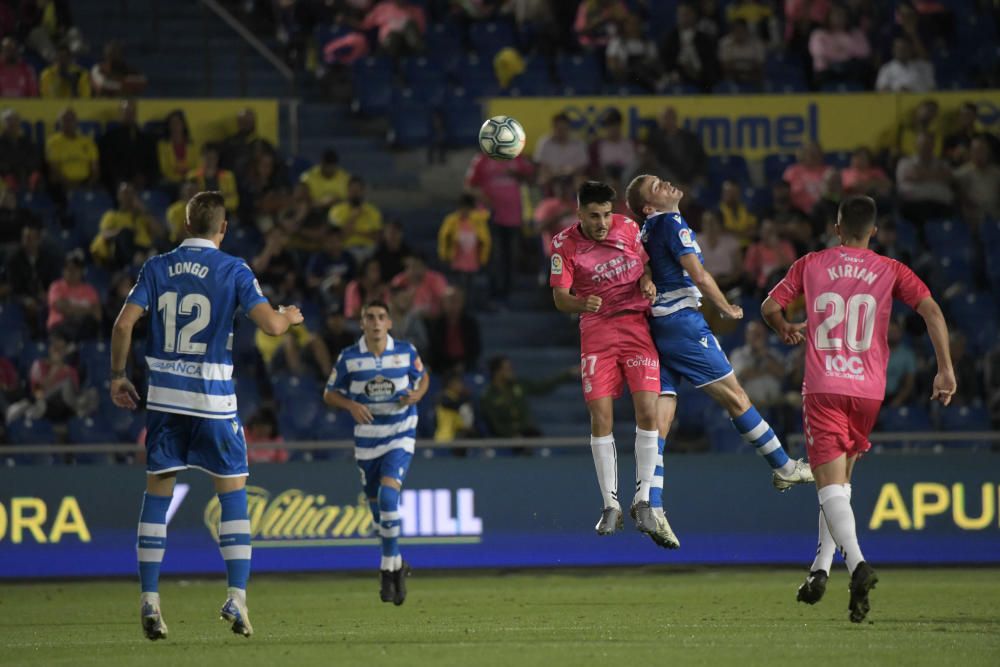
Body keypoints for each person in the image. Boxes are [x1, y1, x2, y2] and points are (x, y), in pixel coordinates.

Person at [109, 191, 304, 640]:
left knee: (157, 498)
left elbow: (123, 325)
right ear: (224, 227)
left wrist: (119, 376)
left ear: (185, 224)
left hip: (165, 403)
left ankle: (150, 601)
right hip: (214, 404)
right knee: (234, 496)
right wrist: (289, 317)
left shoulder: (156, 267)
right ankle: (236, 597)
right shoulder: (234, 269)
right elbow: (271, 326)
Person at [762, 195, 955, 623]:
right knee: (840, 487)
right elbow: (933, 312)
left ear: (836, 228)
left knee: (827, 487)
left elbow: (770, 306)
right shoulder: (892, 269)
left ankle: (858, 565)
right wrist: (944, 369)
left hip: (825, 386)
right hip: (868, 390)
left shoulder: (811, 263)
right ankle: (818, 571)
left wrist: (784, 328)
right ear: (874, 231)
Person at [625, 174, 813, 504]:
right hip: (682, 323)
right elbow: (698, 273)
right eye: (657, 187)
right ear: (648, 206)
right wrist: (726, 307)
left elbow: (646, 267)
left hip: (657, 325)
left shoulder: (648, 229)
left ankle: (650, 501)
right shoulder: (669, 221)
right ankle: (783, 466)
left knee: (662, 414)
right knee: (736, 397)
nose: (667, 184)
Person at [549, 180, 679, 548]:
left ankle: (643, 499)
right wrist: (580, 304)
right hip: (597, 333)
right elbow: (560, 297)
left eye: (606, 214)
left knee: (648, 411)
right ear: (579, 214)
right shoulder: (563, 245)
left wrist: (649, 283)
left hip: (635, 327)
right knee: (601, 416)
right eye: (594, 216)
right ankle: (610, 504)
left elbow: (648, 266)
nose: (602, 222)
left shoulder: (629, 228)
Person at [323, 299, 428, 606]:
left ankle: (386, 566)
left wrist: (416, 395)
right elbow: (328, 393)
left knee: (387, 498)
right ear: (362, 323)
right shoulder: (350, 357)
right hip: (367, 439)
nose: (376, 322)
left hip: (400, 432)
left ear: (390, 323)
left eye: (382, 316)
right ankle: (397, 562)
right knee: (375, 514)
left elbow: (423, 379)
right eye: (370, 317)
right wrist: (351, 405)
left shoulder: (406, 352)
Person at [464, 149, 534, 304]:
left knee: (512, 255)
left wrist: (517, 174)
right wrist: (485, 199)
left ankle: (509, 293)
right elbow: (469, 186)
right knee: (494, 255)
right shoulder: (481, 159)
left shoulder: (517, 158)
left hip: (514, 216)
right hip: (490, 216)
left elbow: (531, 180)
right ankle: (494, 293)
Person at [90, 182, 162, 269]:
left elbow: (160, 232)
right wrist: (122, 231)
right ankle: (136, 259)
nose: (128, 196)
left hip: (145, 249)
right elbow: (105, 234)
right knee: (125, 233)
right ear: (118, 196)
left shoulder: (142, 216)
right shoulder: (112, 215)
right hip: (123, 254)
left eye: (131, 193)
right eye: (125, 193)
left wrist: (144, 210)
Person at [97, 100, 159, 193]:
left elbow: (152, 162)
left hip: (143, 181)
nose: (129, 115)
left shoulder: (146, 139)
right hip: (118, 181)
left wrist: (144, 177)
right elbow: (108, 164)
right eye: (126, 112)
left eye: (132, 112)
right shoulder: (109, 138)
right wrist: (125, 179)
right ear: (120, 114)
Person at [895, 131, 955, 225]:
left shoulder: (943, 164)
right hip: (913, 206)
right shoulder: (905, 163)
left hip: (940, 206)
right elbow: (911, 177)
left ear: (933, 145)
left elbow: (949, 178)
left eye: (928, 144)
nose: (925, 147)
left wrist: (920, 175)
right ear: (916, 145)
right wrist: (936, 175)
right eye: (923, 144)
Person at [437, 194, 491, 292]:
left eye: (467, 209)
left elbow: (485, 240)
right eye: (462, 208)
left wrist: (483, 257)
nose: (464, 211)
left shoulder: (478, 221)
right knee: (460, 286)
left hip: (473, 260)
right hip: (457, 260)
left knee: (471, 287)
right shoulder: (451, 220)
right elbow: (444, 238)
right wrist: (444, 255)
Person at [660, 2, 719, 91]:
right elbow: (665, 61)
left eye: (687, 14)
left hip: (700, 83)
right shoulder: (671, 38)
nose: (684, 17)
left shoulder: (704, 39)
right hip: (675, 80)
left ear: (694, 15)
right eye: (681, 14)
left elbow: (710, 65)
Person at [46, 248, 100, 340]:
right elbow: (62, 308)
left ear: (82, 271)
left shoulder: (89, 290)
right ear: (63, 270)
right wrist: (87, 310)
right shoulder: (56, 286)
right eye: (69, 268)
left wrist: (71, 308)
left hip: (84, 329)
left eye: (76, 269)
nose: (72, 272)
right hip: (60, 328)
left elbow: (98, 315)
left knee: (89, 324)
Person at [427, 286, 481, 375]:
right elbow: (433, 350)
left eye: (457, 301)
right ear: (443, 303)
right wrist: (447, 367)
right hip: (441, 368)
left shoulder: (470, 323)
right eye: (450, 300)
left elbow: (475, 349)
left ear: (463, 303)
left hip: (467, 365)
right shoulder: (435, 324)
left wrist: (464, 364)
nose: (454, 304)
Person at [328, 176, 383, 262]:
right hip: (345, 250)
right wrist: (353, 216)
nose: (355, 194)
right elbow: (340, 237)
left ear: (363, 191)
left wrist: (355, 232)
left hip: (369, 250)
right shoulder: (336, 210)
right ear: (347, 191)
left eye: (358, 191)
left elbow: (377, 237)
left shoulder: (373, 211)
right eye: (353, 191)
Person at [46, 107, 99, 190]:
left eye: (72, 119)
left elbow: (95, 168)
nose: (69, 123)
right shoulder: (53, 142)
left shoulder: (87, 142)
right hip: (62, 184)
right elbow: (54, 169)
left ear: (77, 122)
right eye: (65, 120)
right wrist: (69, 185)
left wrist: (90, 184)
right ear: (59, 123)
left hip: (85, 183)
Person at [533, 112, 589, 192]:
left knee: (581, 181)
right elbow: (541, 166)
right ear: (553, 128)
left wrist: (570, 170)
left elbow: (582, 166)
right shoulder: (544, 143)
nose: (561, 132)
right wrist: (555, 173)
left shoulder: (578, 143)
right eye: (559, 129)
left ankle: (574, 203)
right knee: (542, 179)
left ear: (569, 128)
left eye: (564, 129)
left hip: (572, 176)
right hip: (551, 176)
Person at [955, 135, 1000, 224]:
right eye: (976, 151)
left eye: (982, 150)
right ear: (970, 152)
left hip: (995, 218)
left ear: (988, 152)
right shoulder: (961, 174)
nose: (979, 154)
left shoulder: (997, 173)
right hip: (972, 220)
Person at [389, 253, 449, 318]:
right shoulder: (398, 281)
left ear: (424, 267)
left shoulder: (436, 279)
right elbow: (390, 303)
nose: (412, 270)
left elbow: (445, 303)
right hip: (405, 319)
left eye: (416, 266)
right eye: (408, 267)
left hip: (433, 320)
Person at [0, 108, 43, 192]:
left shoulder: (27, 142)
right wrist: (8, 174)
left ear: (19, 123)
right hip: (6, 178)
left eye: (15, 120)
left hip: (26, 176)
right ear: (3, 124)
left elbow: (35, 159)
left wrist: (32, 173)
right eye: (8, 120)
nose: (12, 123)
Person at [188, 143, 238, 213]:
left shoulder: (228, 176)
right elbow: (189, 199)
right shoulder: (193, 176)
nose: (210, 161)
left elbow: (234, 201)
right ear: (202, 157)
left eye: (213, 158)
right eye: (208, 157)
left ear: (217, 158)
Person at [718, 18, 766, 85]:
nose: (739, 33)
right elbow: (724, 66)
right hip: (732, 77)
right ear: (732, 31)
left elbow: (760, 65)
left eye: (741, 30)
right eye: (736, 30)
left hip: (753, 77)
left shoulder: (757, 43)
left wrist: (736, 62)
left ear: (746, 30)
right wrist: (747, 62)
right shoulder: (725, 43)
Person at [157, 110, 198, 186]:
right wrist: (180, 179)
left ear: (183, 125)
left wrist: (188, 178)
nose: (175, 126)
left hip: (189, 180)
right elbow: (165, 169)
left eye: (178, 123)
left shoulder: (191, 145)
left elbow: (196, 166)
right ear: (168, 126)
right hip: (171, 182)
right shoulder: (162, 145)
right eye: (172, 123)